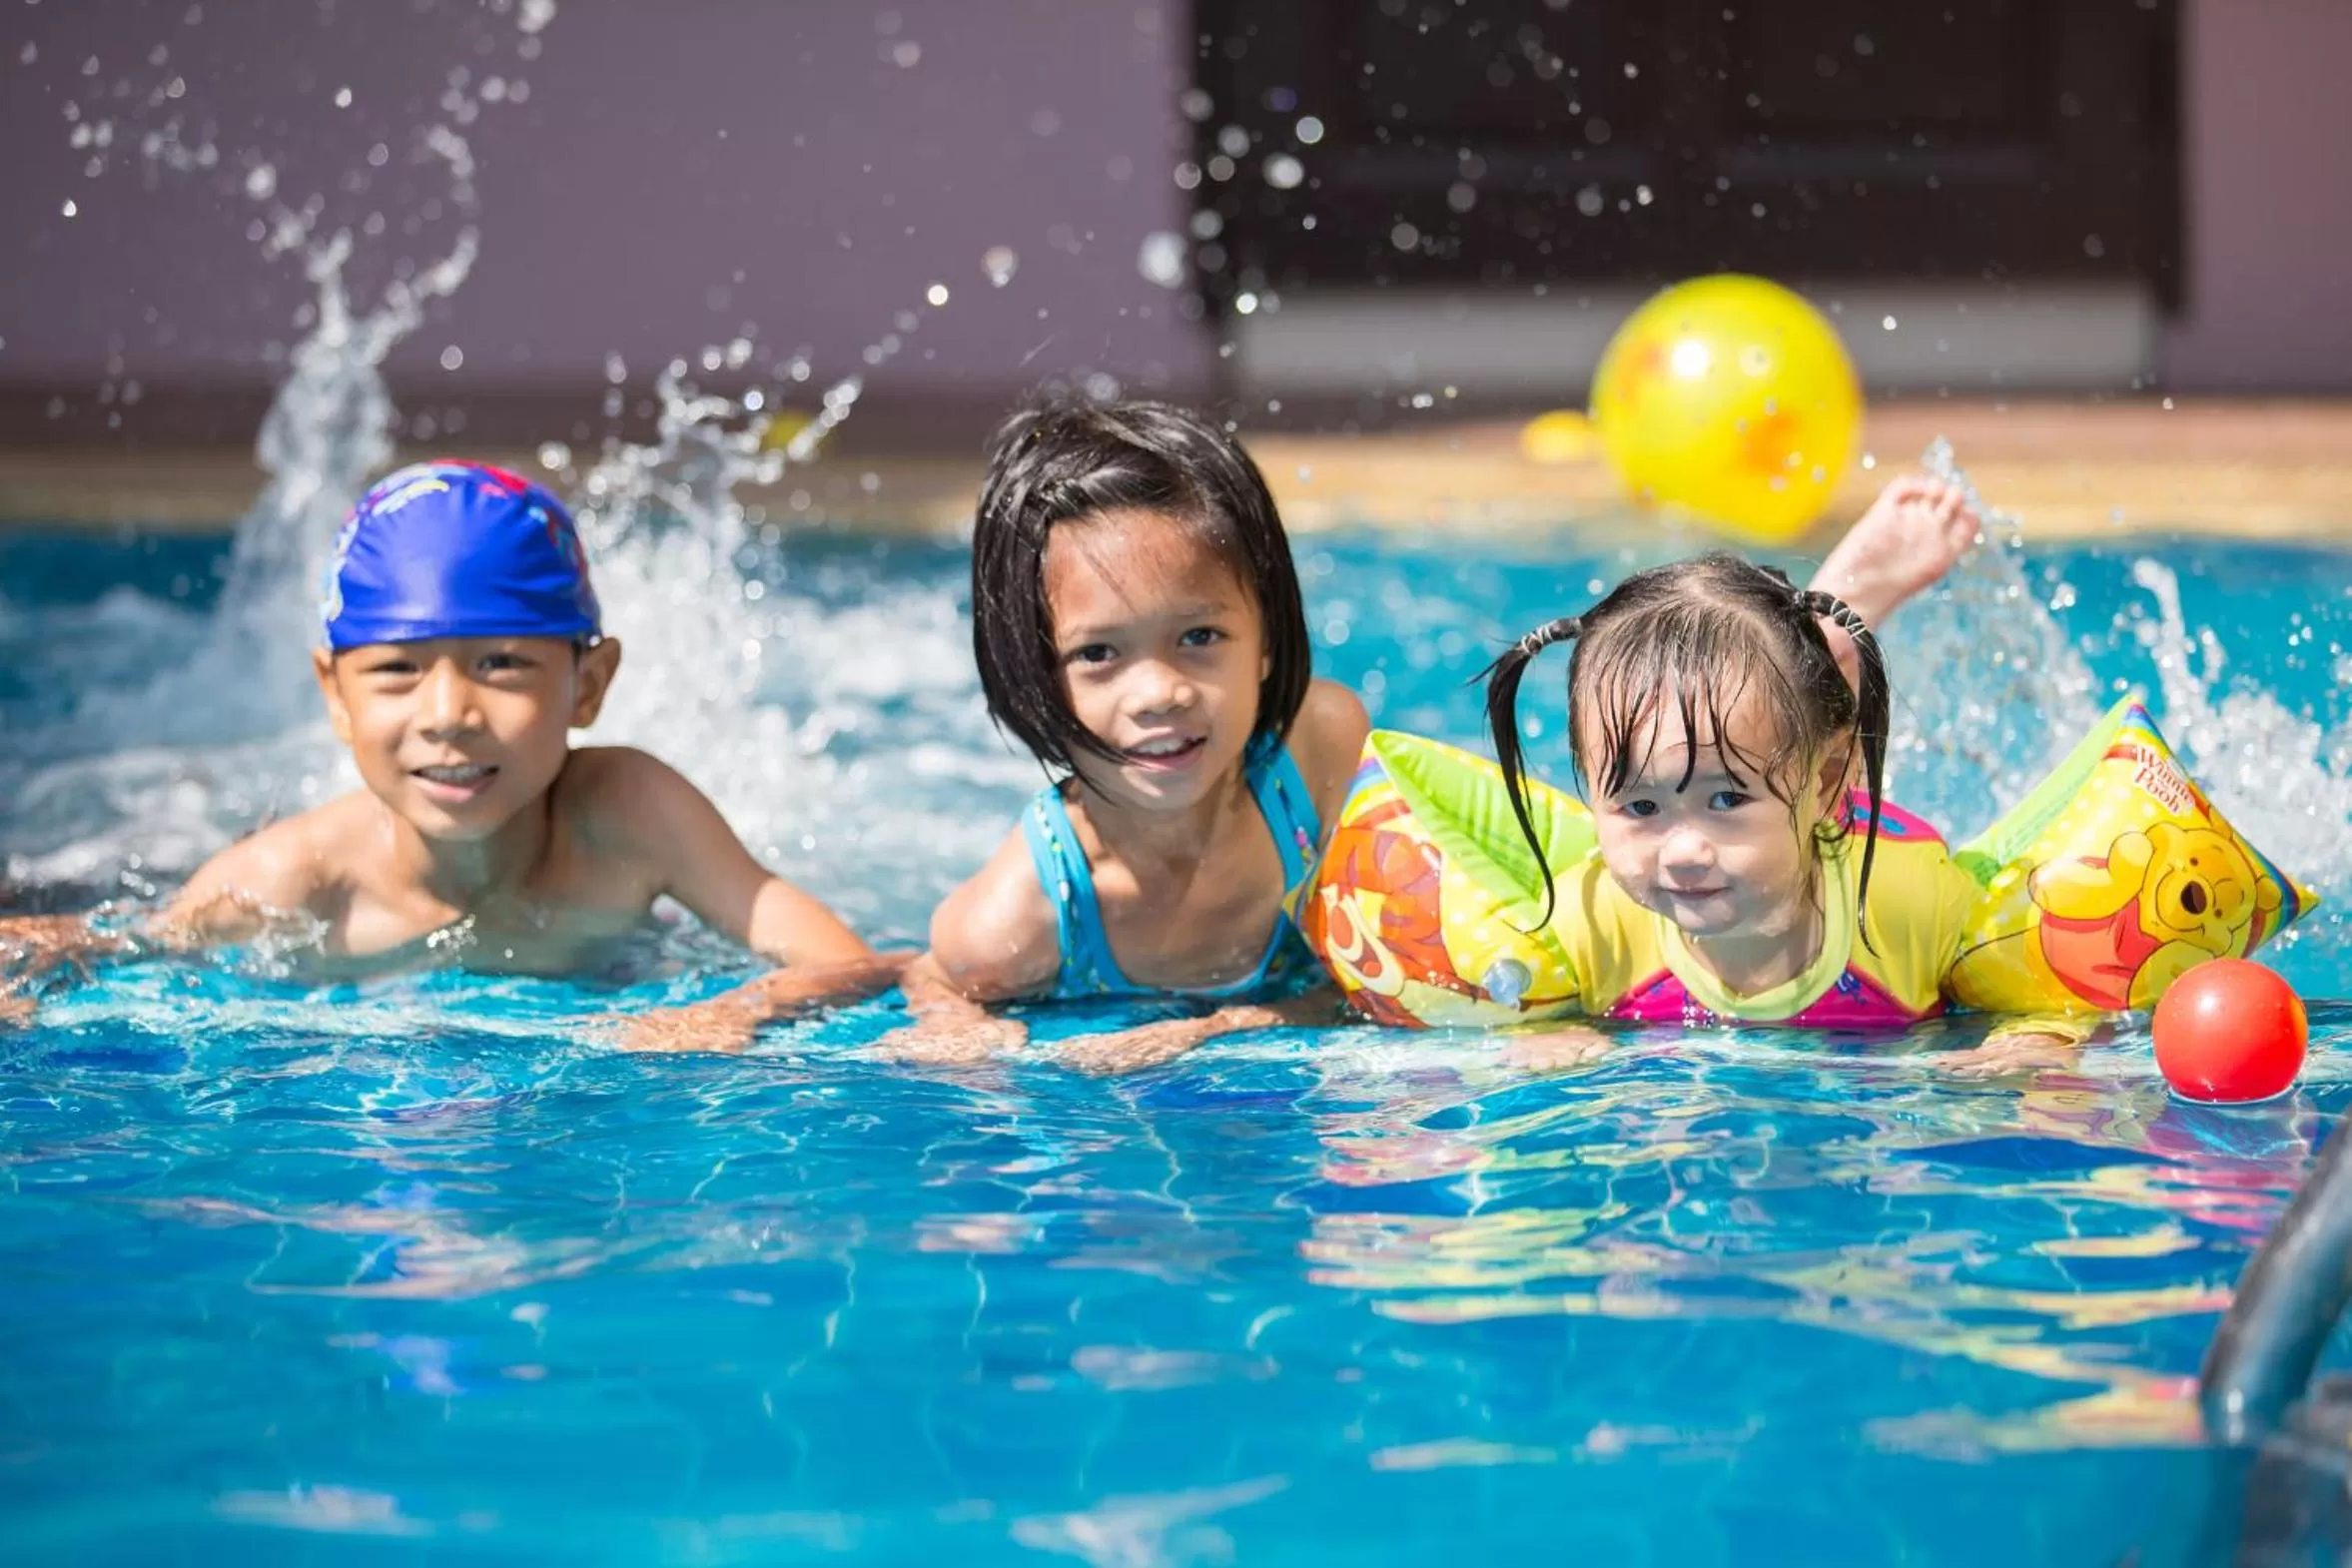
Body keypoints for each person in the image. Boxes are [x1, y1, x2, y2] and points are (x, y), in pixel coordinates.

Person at [0, 460, 896, 1045]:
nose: (447, 714)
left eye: (502, 665)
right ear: (335, 695)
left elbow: (849, 961)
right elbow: (107, 947)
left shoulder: (630, 812)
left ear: (588, 685)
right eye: (395, 670)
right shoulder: (290, 883)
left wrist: (739, 1008)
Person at [1481, 546, 2081, 1076]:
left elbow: (2049, 995)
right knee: (1760, 729)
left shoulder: (1913, 903)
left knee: (1778, 720)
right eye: (1641, 805)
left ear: (1825, 782)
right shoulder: (1590, 918)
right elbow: (1508, 1010)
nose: (1684, 851)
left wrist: (2031, 1040)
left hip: (1853, 827)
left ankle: (1836, 631)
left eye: (1726, 800)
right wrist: (1546, 1033)